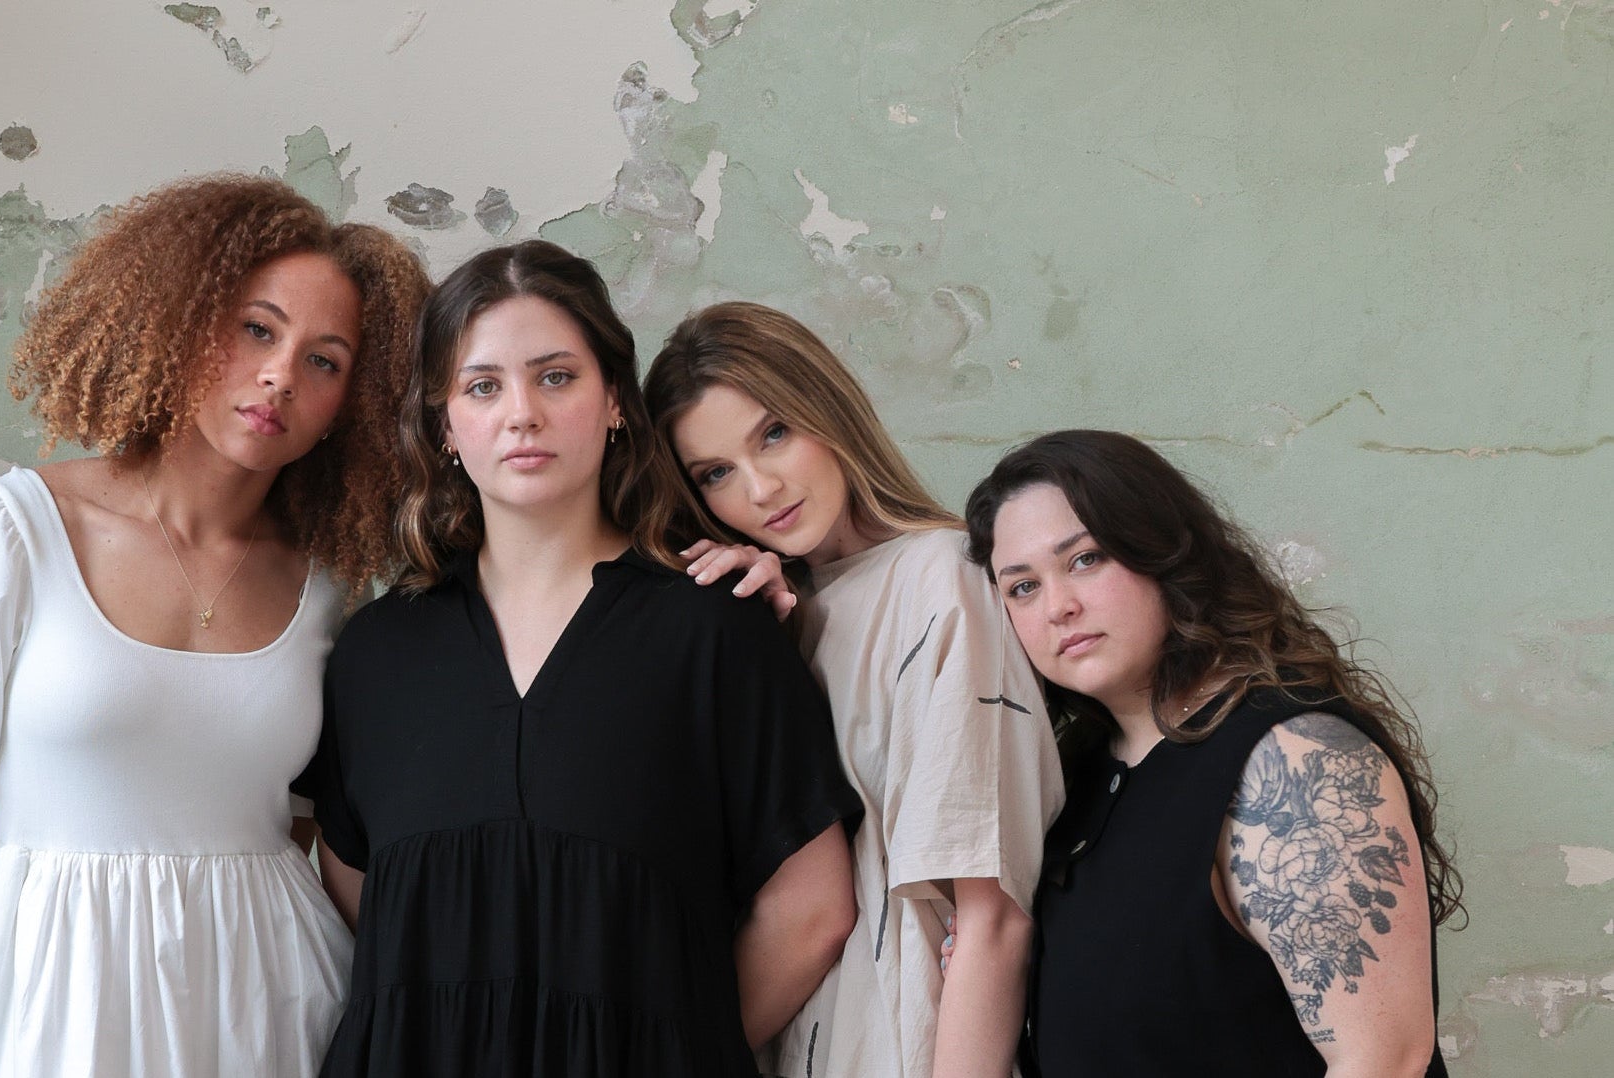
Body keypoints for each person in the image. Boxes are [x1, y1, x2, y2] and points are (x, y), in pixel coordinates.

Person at [0, 174, 429, 1077]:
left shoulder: (325, 588)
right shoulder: (6, 533)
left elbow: (299, 830)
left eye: (325, 361)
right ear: (183, 323)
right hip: (63, 1019)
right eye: (257, 329)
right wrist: (22, 1013)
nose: (279, 375)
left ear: (350, 407)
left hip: (279, 1010)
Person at [299, 241, 863, 1077]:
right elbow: (364, 899)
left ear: (614, 403)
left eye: (555, 377)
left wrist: (665, 1050)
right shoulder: (375, 653)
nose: (521, 413)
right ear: (444, 425)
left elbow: (811, 912)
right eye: (482, 386)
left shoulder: (714, 630)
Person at [645, 301, 1065, 1078]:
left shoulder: (942, 580)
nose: (761, 488)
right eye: (715, 474)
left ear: (827, 408)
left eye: (773, 433)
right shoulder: (778, 616)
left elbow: (991, 917)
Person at [963, 429, 1462, 1078]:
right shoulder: (1077, 774)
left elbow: (1384, 1061)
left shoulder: (1293, 756)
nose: (1059, 606)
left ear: (1161, 551)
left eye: (1085, 559)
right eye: (1022, 587)